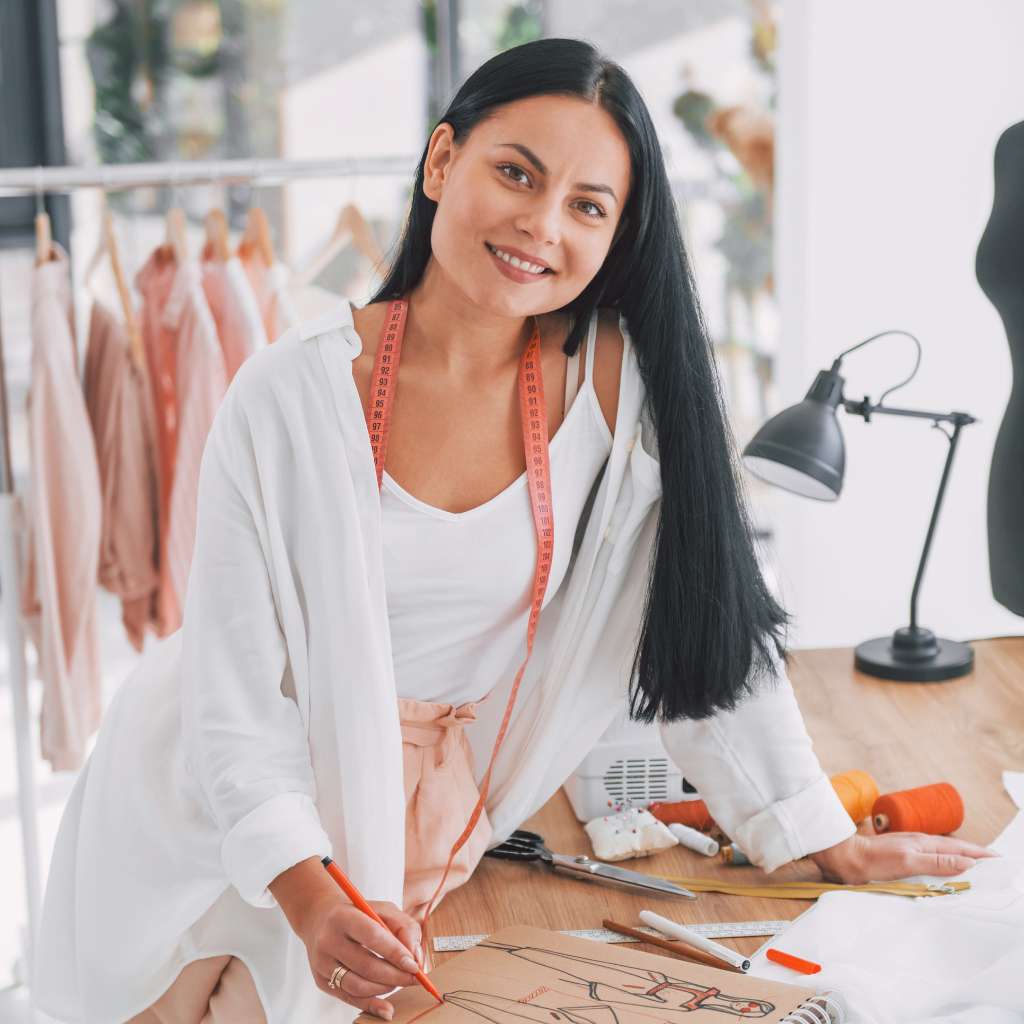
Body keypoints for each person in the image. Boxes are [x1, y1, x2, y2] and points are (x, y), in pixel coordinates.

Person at [34, 37, 993, 1024]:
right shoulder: (287, 394)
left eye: (587, 204)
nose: (540, 224)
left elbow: (701, 626)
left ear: (616, 235)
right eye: (514, 173)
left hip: (407, 833)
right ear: (442, 162)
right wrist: (309, 893)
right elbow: (231, 703)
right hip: (210, 809)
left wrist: (811, 831)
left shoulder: (617, 398)